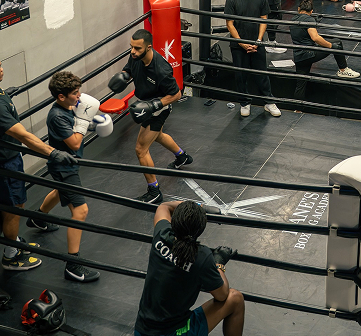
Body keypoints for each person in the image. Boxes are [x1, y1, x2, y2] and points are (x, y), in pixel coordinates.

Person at [0, 50, 76, 270]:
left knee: (14, 204)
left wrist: (5, 96)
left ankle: (14, 241)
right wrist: (53, 153)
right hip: (3, 163)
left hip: (5, 158)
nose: (2, 69)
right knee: (14, 207)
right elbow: (24, 136)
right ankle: (11, 255)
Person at [26, 71, 106, 282]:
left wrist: (92, 123)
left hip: (66, 164)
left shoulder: (69, 106)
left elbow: (75, 127)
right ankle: (72, 264)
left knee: (59, 191)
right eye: (75, 93)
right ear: (61, 96)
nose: (79, 96)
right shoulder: (57, 116)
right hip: (64, 167)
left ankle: (38, 218)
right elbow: (75, 143)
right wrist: (85, 121)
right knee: (80, 211)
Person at [135, 200, 244, 336]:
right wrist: (219, 264)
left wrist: (198, 206)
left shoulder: (161, 234)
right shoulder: (201, 256)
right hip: (173, 333)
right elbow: (222, 295)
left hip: (142, 329)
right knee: (236, 298)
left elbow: (165, 206)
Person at [108, 29, 192, 203]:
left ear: (148, 47)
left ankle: (154, 191)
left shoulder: (161, 69)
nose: (133, 51)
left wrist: (153, 105)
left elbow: (176, 94)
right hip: (145, 103)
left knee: (141, 149)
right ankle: (182, 156)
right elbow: (129, 69)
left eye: (137, 48)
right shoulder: (135, 56)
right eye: (131, 47)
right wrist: (124, 76)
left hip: (158, 108)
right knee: (158, 135)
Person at [224, 0, 281, 118]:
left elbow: (264, 19)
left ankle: (269, 102)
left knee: (261, 73)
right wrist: (241, 43)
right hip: (238, 45)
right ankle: (244, 103)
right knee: (241, 75)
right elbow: (230, 24)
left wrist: (258, 40)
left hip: (257, 43)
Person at [290, 0, 360, 101]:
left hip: (299, 56)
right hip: (310, 54)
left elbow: (302, 32)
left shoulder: (293, 20)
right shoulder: (309, 20)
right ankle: (343, 70)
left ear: (298, 9)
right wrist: (330, 46)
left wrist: (314, 22)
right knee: (336, 44)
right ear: (311, 11)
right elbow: (315, 38)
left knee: (300, 85)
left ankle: (297, 107)